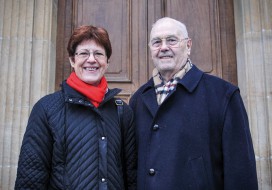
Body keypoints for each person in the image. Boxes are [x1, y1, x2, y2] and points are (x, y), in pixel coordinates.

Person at [129, 17, 258, 190]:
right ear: (150, 49)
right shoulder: (138, 99)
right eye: (156, 42)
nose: (164, 47)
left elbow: (240, 170)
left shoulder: (223, 95)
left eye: (172, 40)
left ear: (188, 45)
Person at [15, 25, 137, 189]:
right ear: (72, 60)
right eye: (84, 53)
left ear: (107, 62)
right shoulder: (46, 108)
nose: (92, 59)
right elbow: (31, 177)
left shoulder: (122, 111)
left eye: (99, 54)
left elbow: (131, 176)